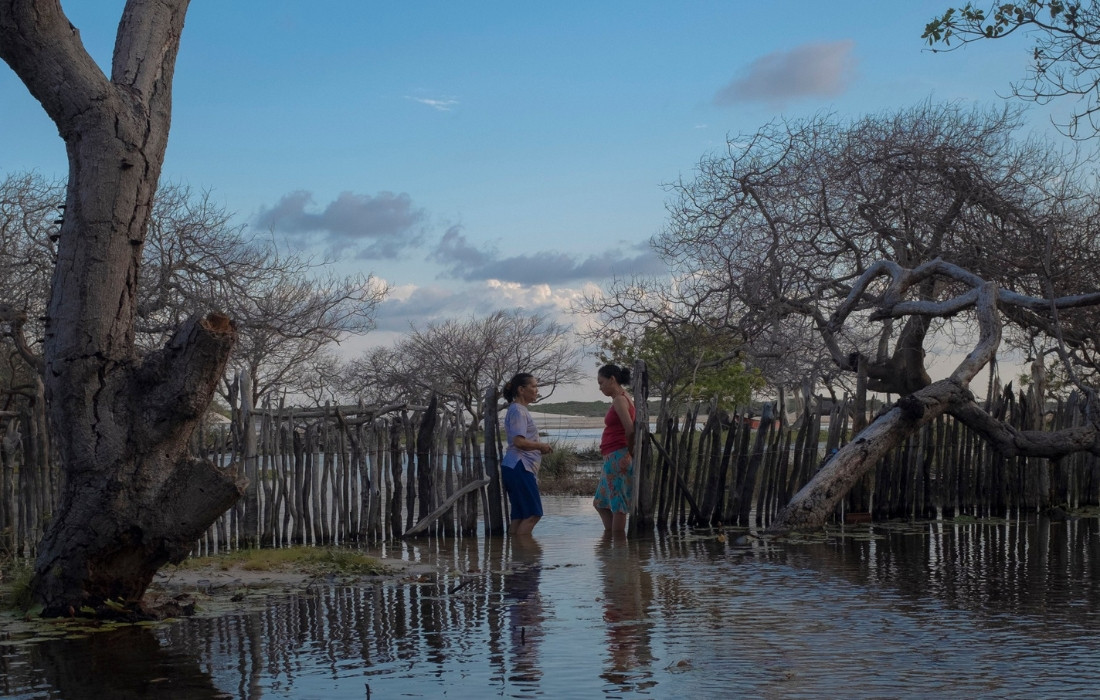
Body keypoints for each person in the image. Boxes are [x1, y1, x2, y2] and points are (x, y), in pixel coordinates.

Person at [501, 372, 553, 535]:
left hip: (514, 466)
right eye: (534, 386)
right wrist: (540, 446)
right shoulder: (519, 411)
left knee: (519, 515)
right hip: (520, 466)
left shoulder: (517, 409)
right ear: (521, 390)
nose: (537, 390)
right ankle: (525, 549)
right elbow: (519, 441)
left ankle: (515, 549)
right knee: (533, 514)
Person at [593, 363, 635, 532]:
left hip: (618, 455)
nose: (600, 388)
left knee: (618, 505)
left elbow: (630, 429)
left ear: (612, 379)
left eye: (601, 383)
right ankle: (611, 540)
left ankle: (618, 543)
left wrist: (629, 453)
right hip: (613, 455)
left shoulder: (619, 399)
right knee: (600, 503)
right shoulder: (622, 398)